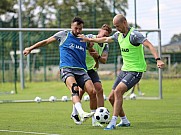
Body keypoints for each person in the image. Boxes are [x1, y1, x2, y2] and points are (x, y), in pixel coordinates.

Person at [78, 14, 165, 130]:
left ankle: (113, 122)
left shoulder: (135, 35)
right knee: (111, 98)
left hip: (136, 71)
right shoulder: (118, 35)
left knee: (118, 92)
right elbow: (105, 39)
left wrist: (158, 60)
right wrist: (89, 39)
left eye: (117, 26)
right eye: (115, 26)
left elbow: (149, 45)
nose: (116, 29)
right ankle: (124, 121)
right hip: (125, 70)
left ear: (124, 22)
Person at [23, 17, 96, 123]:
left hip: (81, 70)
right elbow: (46, 41)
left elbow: (91, 49)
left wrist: (90, 44)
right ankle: (81, 113)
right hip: (67, 69)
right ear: (71, 26)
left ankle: (94, 121)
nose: (78, 31)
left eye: (80, 29)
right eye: (76, 28)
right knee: (74, 88)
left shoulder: (83, 39)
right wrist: (30, 48)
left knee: (92, 92)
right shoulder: (64, 35)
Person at [71, 24, 112, 127]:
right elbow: (85, 46)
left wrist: (96, 57)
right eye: (103, 34)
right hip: (82, 68)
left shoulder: (106, 45)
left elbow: (104, 60)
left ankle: (99, 114)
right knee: (81, 91)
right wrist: (93, 54)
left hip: (92, 69)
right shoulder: (90, 37)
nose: (103, 37)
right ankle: (75, 112)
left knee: (99, 89)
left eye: (105, 36)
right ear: (99, 31)